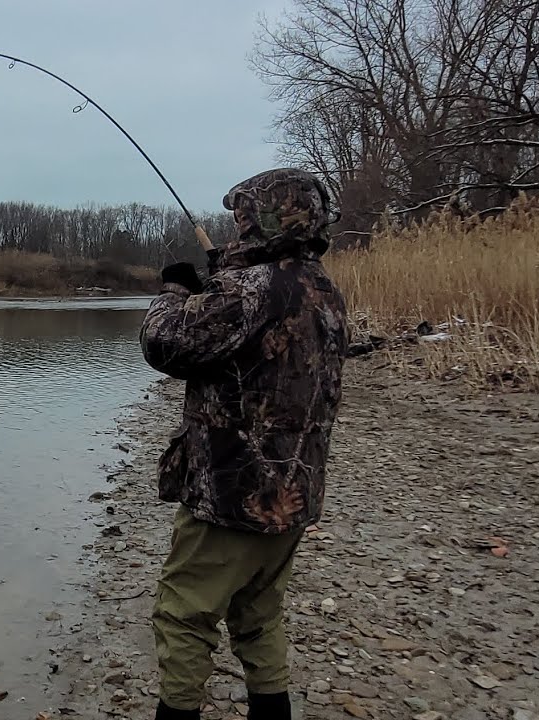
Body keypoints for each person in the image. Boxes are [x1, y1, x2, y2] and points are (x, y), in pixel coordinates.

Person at [139, 168, 350, 720]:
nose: (236, 228)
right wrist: (225, 279)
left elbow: (164, 345)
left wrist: (175, 289)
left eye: (243, 217)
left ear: (268, 218)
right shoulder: (323, 286)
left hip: (232, 492)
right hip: (296, 491)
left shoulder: (252, 288)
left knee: (184, 614)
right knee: (259, 612)